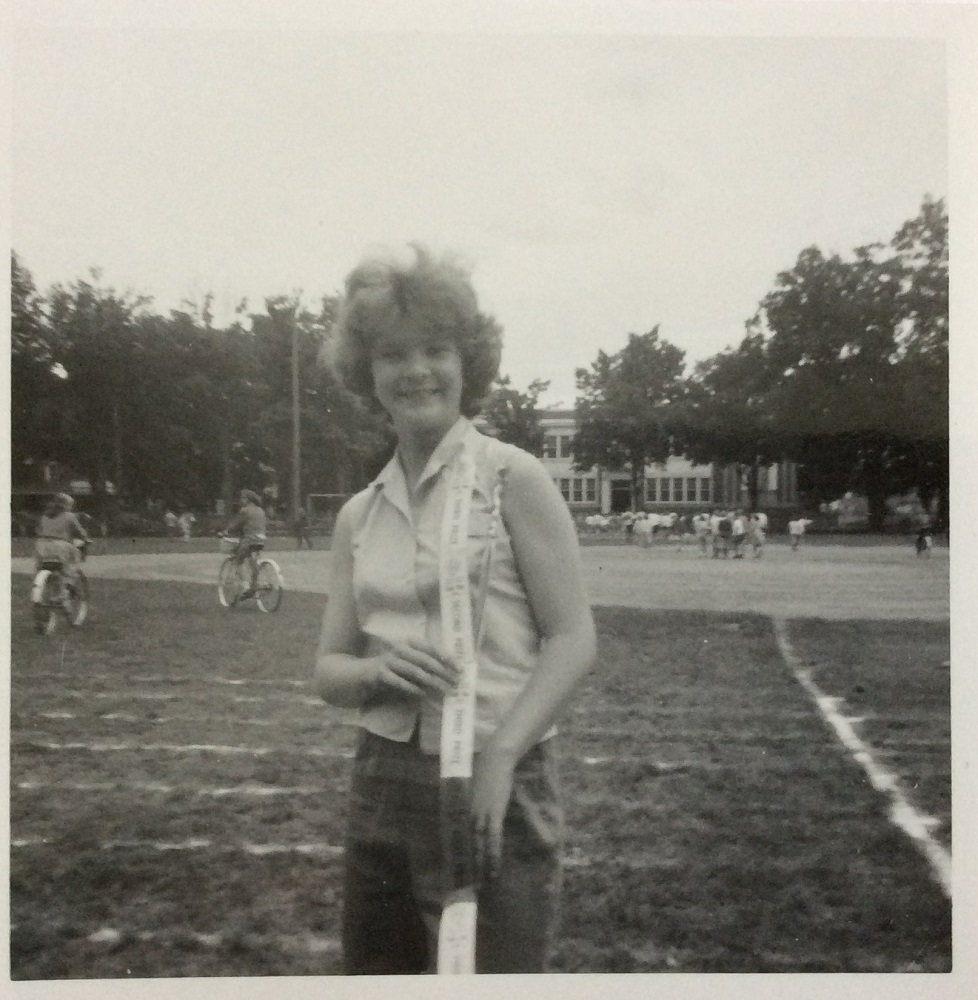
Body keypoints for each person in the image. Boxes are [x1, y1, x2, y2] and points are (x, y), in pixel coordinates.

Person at [314, 245, 597, 975]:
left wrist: (502, 754)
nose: (416, 371)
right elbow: (329, 672)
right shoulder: (357, 514)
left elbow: (573, 638)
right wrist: (377, 670)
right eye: (392, 353)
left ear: (467, 361)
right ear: (366, 371)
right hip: (381, 781)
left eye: (436, 349)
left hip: (495, 779)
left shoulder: (514, 479)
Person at [34, 493, 89, 591]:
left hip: (41, 544)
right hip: (60, 545)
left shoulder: (44, 516)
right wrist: (86, 539)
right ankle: (69, 582)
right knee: (74, 557)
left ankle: (39, 582)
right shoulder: (69, 516)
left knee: (41, 565)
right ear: (66, 505)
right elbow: (80, 532)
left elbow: (38, 530)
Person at [221, 490, 267, 597]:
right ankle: (255, 584)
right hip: (261, 540)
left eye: (243, 498)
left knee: (237, 560)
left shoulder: (245, 511)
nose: (241, 500)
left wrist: (226, 531)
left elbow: (235, 524)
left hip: (249, 540)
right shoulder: (261, 510)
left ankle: (237, 581)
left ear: (248, 500)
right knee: (253, 562)